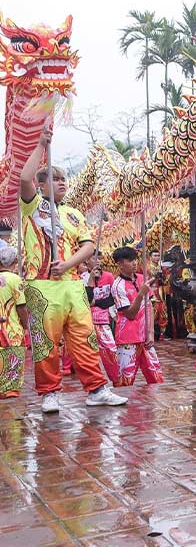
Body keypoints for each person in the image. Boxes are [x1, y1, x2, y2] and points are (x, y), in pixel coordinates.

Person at [19, 130, 127, 413]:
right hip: (42, 286)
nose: (61, 183)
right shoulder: (32, 207)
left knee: (85, 339)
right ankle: (49, 393)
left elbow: (88, 245)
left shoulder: (74, 214)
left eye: (63, 178)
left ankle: (97, 389)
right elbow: (23, 178)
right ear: (41, 185)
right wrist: (41, 144)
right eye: (54, 179)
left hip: (72, 284)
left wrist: (68, 265)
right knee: (46, 343)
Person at [111, 247, 164, 386]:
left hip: (145, 337)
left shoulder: (142, 279)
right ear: (120, 264)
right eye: (130, 260)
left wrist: (151, 332)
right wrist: (140, 294)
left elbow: (150, 306)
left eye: (135, 259)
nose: (134, 263)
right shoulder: (117, 286)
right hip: (128, 338)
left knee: (157, 379)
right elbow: (129, 314)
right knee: (124, 382)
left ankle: (153, 407)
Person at [84, 252, 118, 383]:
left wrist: (97, 303)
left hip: (104, 321)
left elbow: (112, 298)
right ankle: (95, 382)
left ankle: (116, 379)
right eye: (94, 258)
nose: (98, 261)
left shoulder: (109, 277)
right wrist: (91, 281)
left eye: (99, 258)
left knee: (110, 350)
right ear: (86, 261)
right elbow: (86, 300)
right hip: (87, 322)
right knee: (90, 354)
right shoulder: (81, 278)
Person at [0, 247, 27, 398]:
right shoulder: (15, 279)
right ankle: (9, 390)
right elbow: (21, 306)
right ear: (15, 262)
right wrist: (26, 326)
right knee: (13, 358)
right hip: (11, 329)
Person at [147, 249, 168, 341]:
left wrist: (162, 278)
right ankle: (151, 335)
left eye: (158, 255)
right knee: (152, 316)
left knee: (163, 315)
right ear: (150, 257)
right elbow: (146, 283)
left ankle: (162, 335)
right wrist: (155, 277)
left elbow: (165, 282)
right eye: (154, 255)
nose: (157, 257)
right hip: (152, 295)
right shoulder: (147, 268)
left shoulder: (162, 268)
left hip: (161, 295)